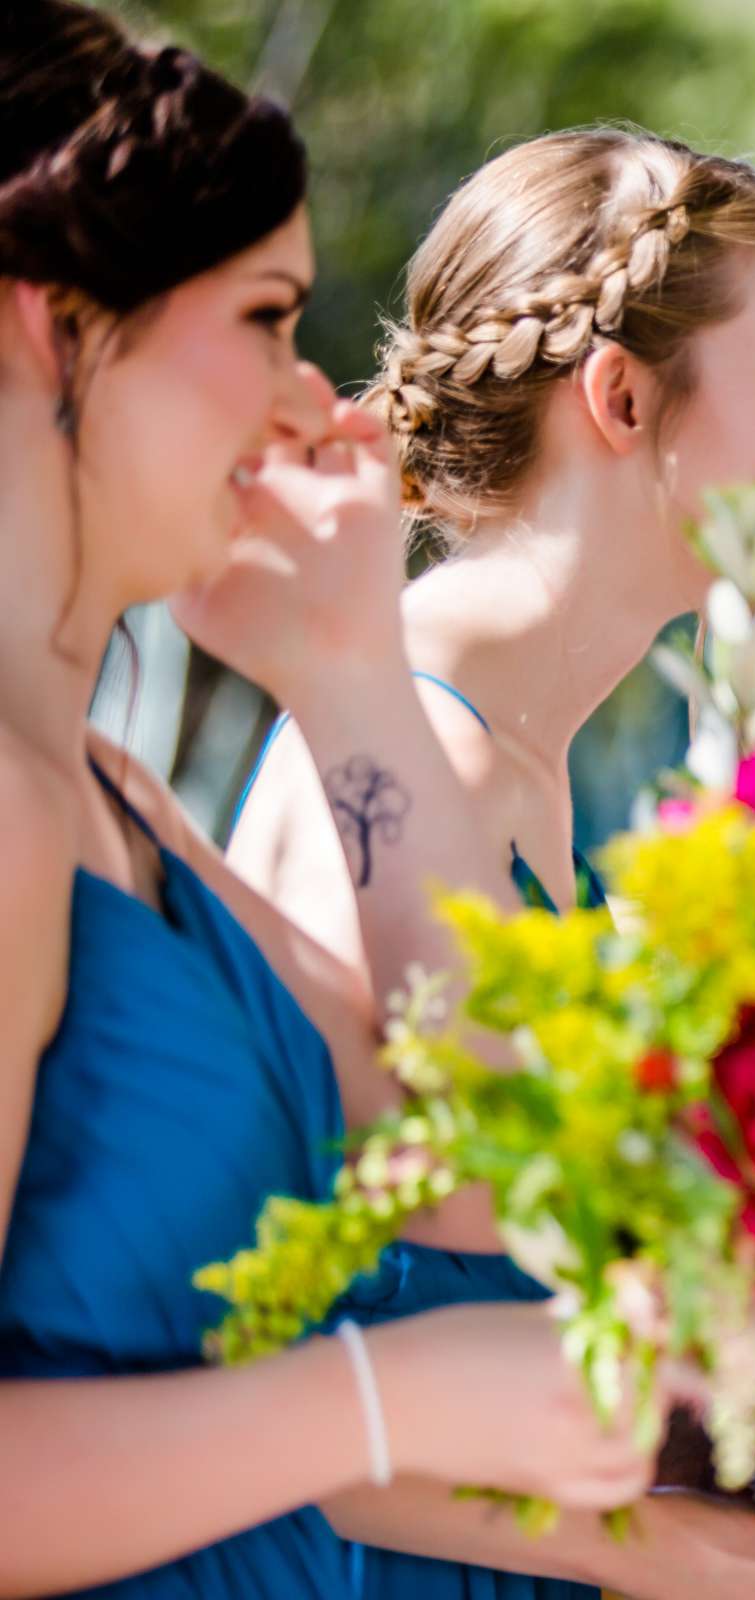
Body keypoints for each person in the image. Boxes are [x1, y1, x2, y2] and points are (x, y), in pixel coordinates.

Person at [0, 6, 671, 1593]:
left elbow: (487, 1154)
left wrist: (352, 674)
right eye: (265, 313)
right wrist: (380, 1398)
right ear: (57, 326)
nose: (309, 394)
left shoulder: (112, 796)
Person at [226, 126, 755, 1599]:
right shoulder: (412, 760)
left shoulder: (521, 758)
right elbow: (281, 1351)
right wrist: (665, 1552)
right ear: (623, 396)